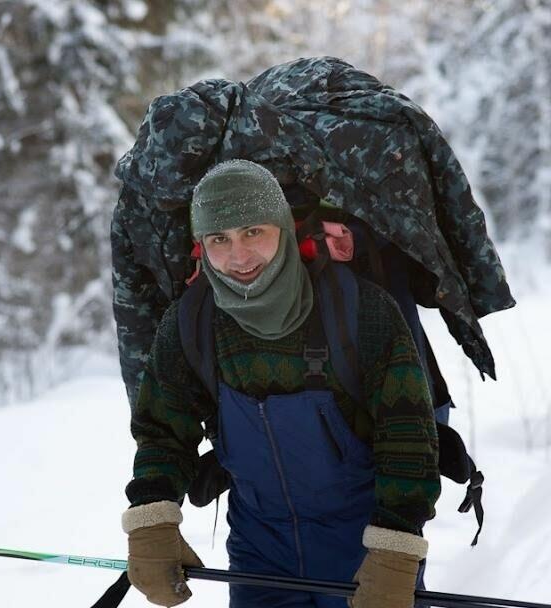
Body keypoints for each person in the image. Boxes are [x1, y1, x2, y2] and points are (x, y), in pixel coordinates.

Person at [121, 159, 440, 608]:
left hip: (364, 545)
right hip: (259, 550)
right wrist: (152, 518)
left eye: (253, 232)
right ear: (202, 246)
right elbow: (162, 430)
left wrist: (395, 547)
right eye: (219, 239)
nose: (238, 256)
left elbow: (409, 434)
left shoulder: (361, 311)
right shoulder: (192, 322)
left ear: (283, 228)